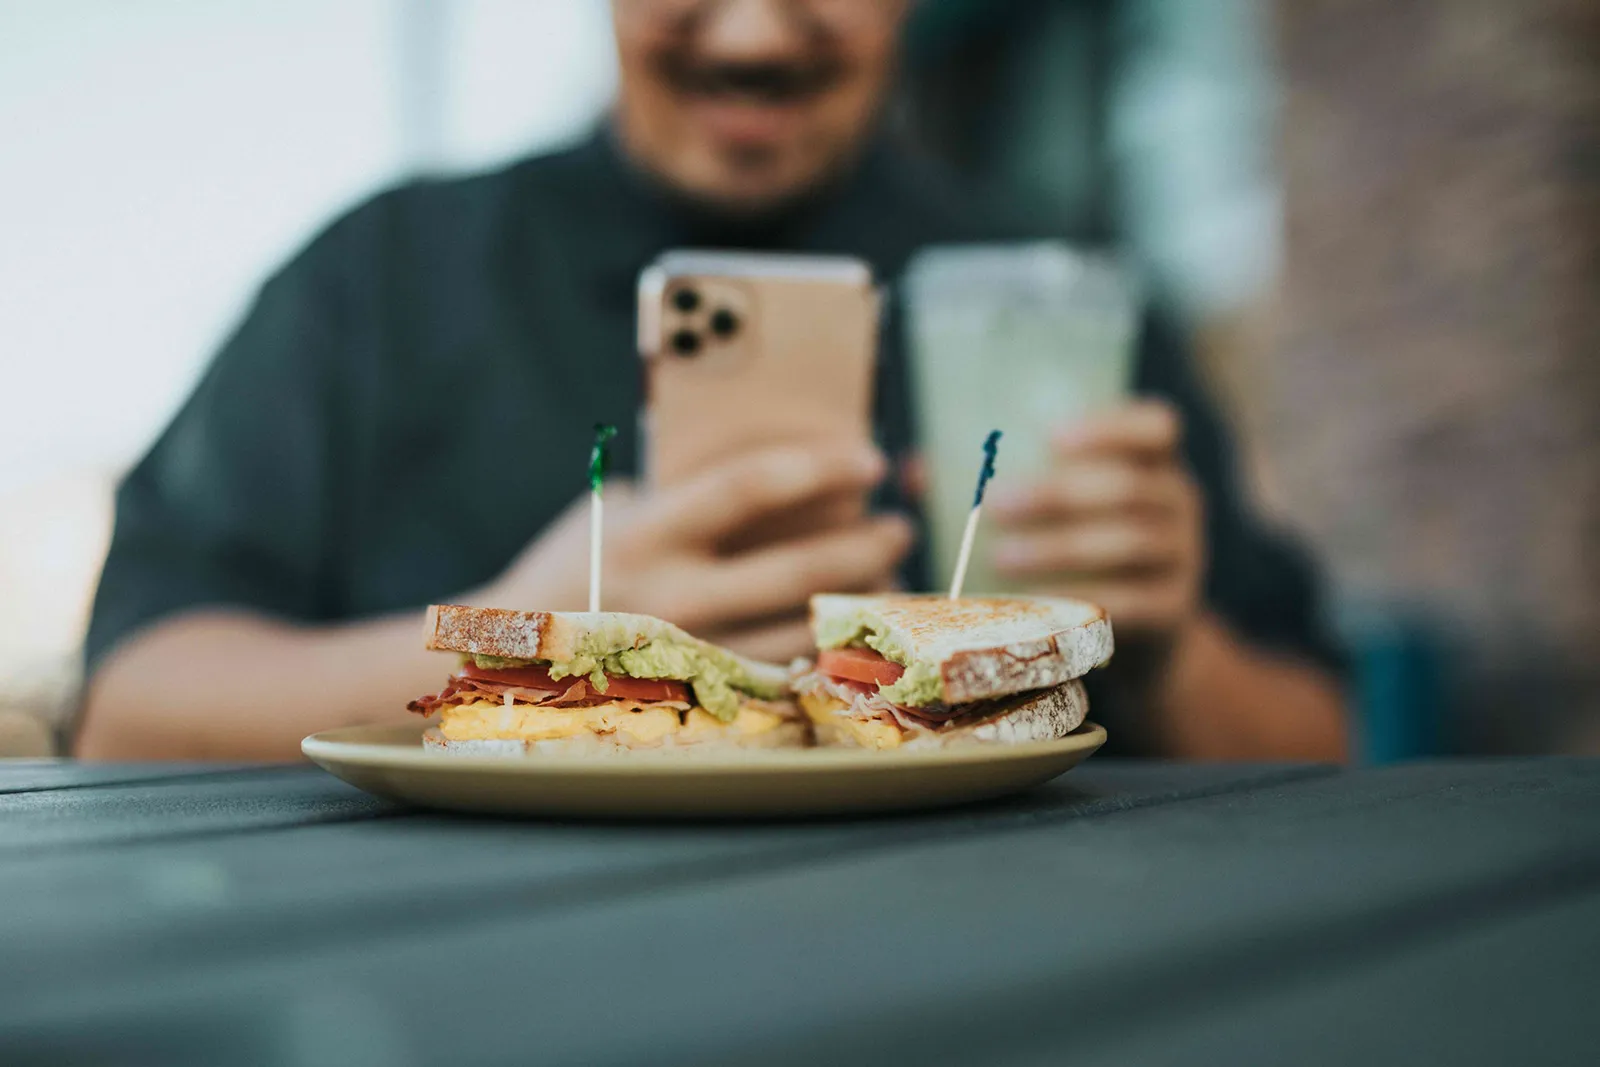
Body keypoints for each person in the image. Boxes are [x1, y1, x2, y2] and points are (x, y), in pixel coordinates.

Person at [76, 0, 1347, 762]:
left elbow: (1320, 737)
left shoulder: (1051, 301)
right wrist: (532, 651)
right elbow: (129, 710)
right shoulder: (384, 277)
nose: (751, 24)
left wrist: (1165, 646)